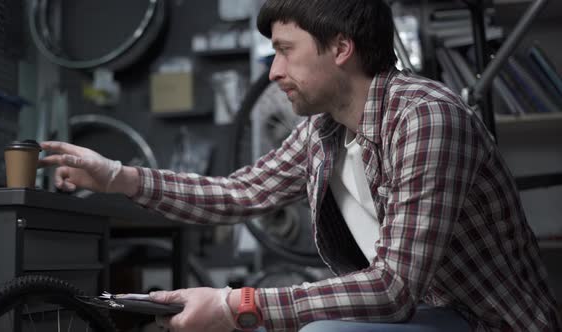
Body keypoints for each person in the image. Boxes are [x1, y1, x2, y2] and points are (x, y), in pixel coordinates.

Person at [39, 0, 561, 331]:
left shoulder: (426, 119)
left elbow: (391, 289)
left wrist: (235, 304)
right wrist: (118, 176)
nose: (273, 72)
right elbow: (239, 193)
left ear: (340, 47)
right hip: (432, 313)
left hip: (489, 322)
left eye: (285, 51)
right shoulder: (326, 129)